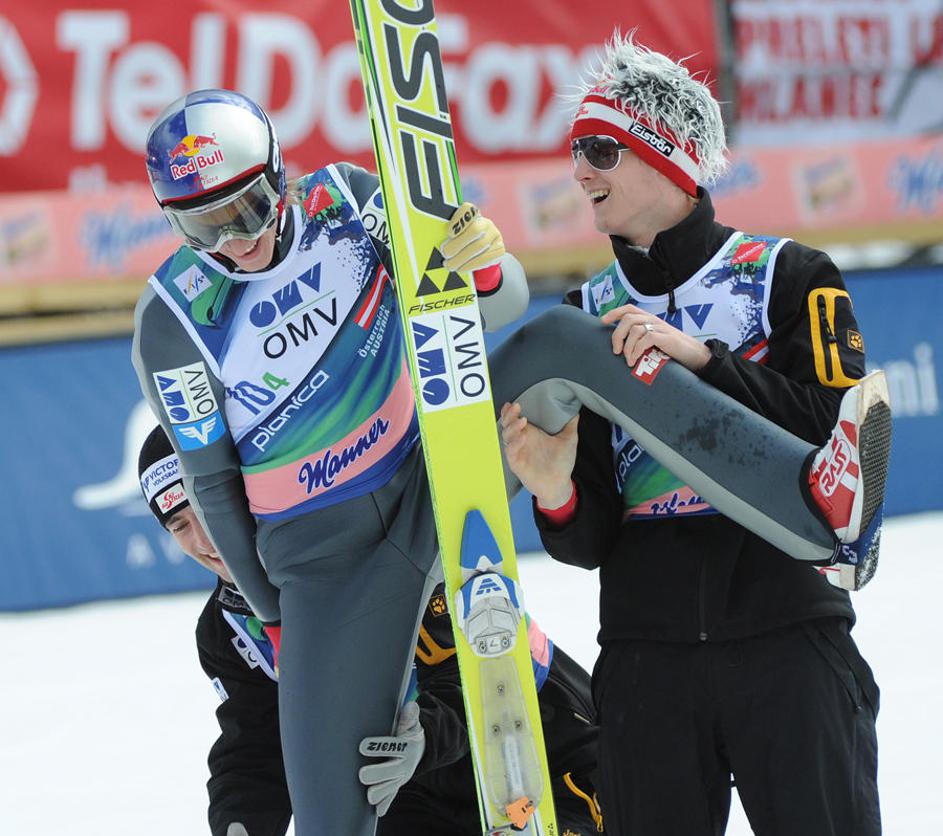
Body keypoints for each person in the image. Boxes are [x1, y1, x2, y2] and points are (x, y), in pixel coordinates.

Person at [498, 32, 883, 836]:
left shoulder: (787, 274)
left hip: (788, 638)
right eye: (575, 152)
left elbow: (835, 433)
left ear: (665, 157)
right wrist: (556, 493)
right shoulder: (582, 318)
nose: (580, 173)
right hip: (647, 660)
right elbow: (588, 543)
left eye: (599, 150)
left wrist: (705, 363)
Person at [131, 89, 530, 836]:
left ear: (278, 173)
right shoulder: (173, 319)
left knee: (561, 349)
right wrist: (274, 614)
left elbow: (501, 307)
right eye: (203, 227)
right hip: (322, 560)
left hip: (425, 483)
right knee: (331, 813)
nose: (237, 243)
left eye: (248, 210)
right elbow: (212, 482)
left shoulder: (347, 202)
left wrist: (487, 271)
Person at [137, 423, 605, 836]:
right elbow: (256, 740)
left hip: (541, 737)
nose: (204, 540)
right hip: (412, 789)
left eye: (204, 510)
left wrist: (423, 740)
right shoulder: (228, 629)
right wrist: (240, 822)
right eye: (179, 525)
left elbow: (475, 673)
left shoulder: (360, 548)